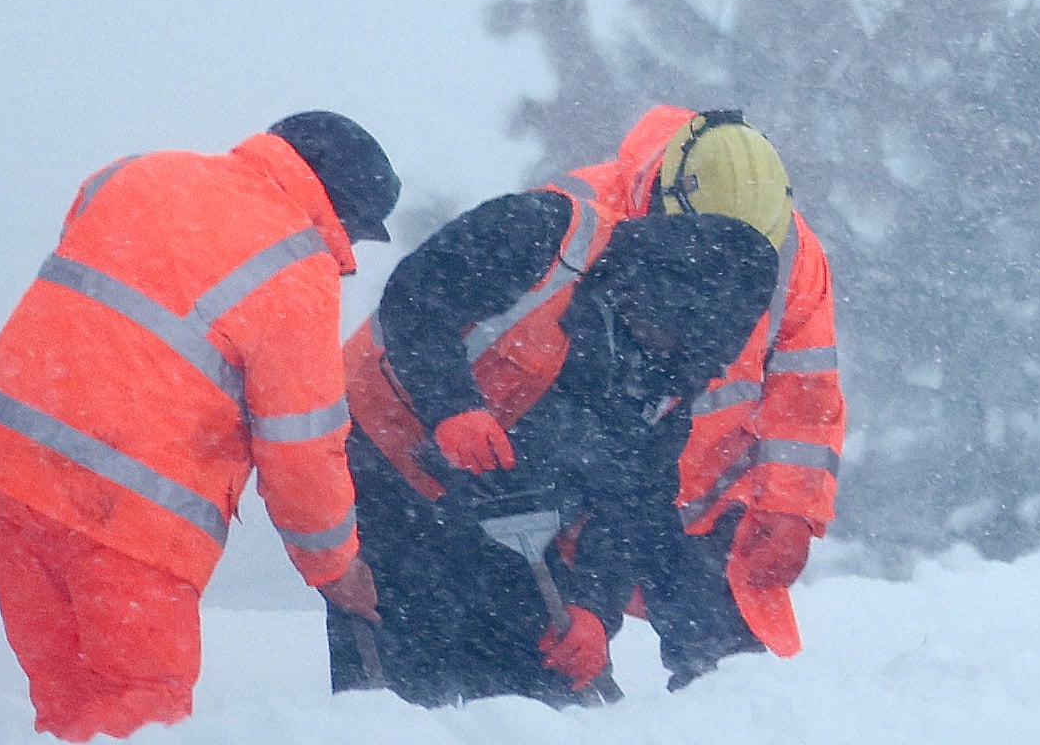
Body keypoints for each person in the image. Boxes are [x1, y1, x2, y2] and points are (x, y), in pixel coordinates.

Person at [0, 108, 395, 739]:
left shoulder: (139, 173)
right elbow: (301, 449)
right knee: (141, 705)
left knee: (67, 699)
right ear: (339, 208)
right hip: (129, 506)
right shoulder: (296, 265)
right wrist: (336, 567)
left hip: (8, 461)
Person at [333, 206, 782, 704]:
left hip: (510, 520)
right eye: (659, 330)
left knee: (532, 700)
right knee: (403, 691)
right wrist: (453, 407)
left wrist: (593, 608)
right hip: (387, 472)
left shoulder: (670, 376)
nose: (659, 348)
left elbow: (633, 506)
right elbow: (416, 297)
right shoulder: (544, 235)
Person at [561, 108, 842, 650]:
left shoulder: (795, 254)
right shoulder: (580, 218)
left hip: (711, 508)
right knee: (545, 686)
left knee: (736, 691)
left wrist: (791, 509)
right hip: (591, 490)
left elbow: (807, 394)